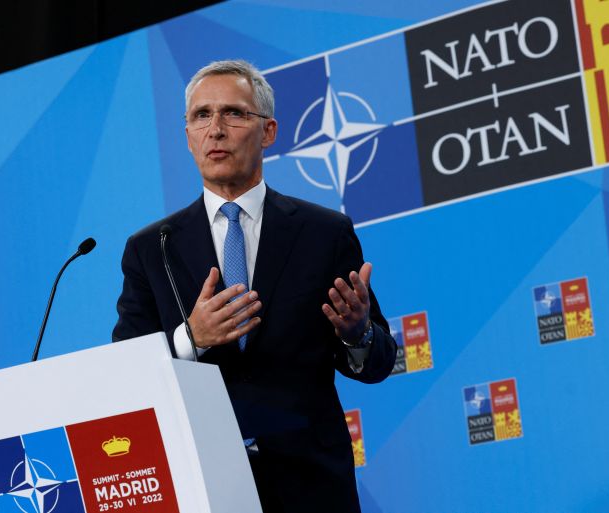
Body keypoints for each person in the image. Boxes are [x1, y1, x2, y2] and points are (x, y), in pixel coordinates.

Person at [112, 60, 397, 513]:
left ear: (268, 132)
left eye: (234, 113)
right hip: (204, 484)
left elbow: (379, 361)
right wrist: (191, 339)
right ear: (187, 136)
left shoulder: (324, 233)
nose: (216, 130)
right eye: (201, 116)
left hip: (311, 484)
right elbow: (126, 370)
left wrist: (357, 333)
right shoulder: (152, 248)